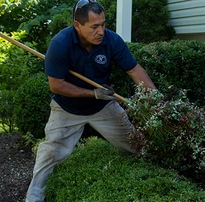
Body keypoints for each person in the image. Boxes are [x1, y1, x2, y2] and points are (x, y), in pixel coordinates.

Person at [25, 0, 156, 201]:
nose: (101, 31)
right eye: (94, 26)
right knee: (50, 154)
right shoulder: (60, 44)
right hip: (66, 109)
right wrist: (92, 93)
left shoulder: (111, 41)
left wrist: (156, 99)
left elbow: (135, 70)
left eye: (103, 24)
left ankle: (158, 177)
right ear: (77, 25)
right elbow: (56, 85)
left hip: (103, 106)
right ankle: (34, 197)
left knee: (135, 144)